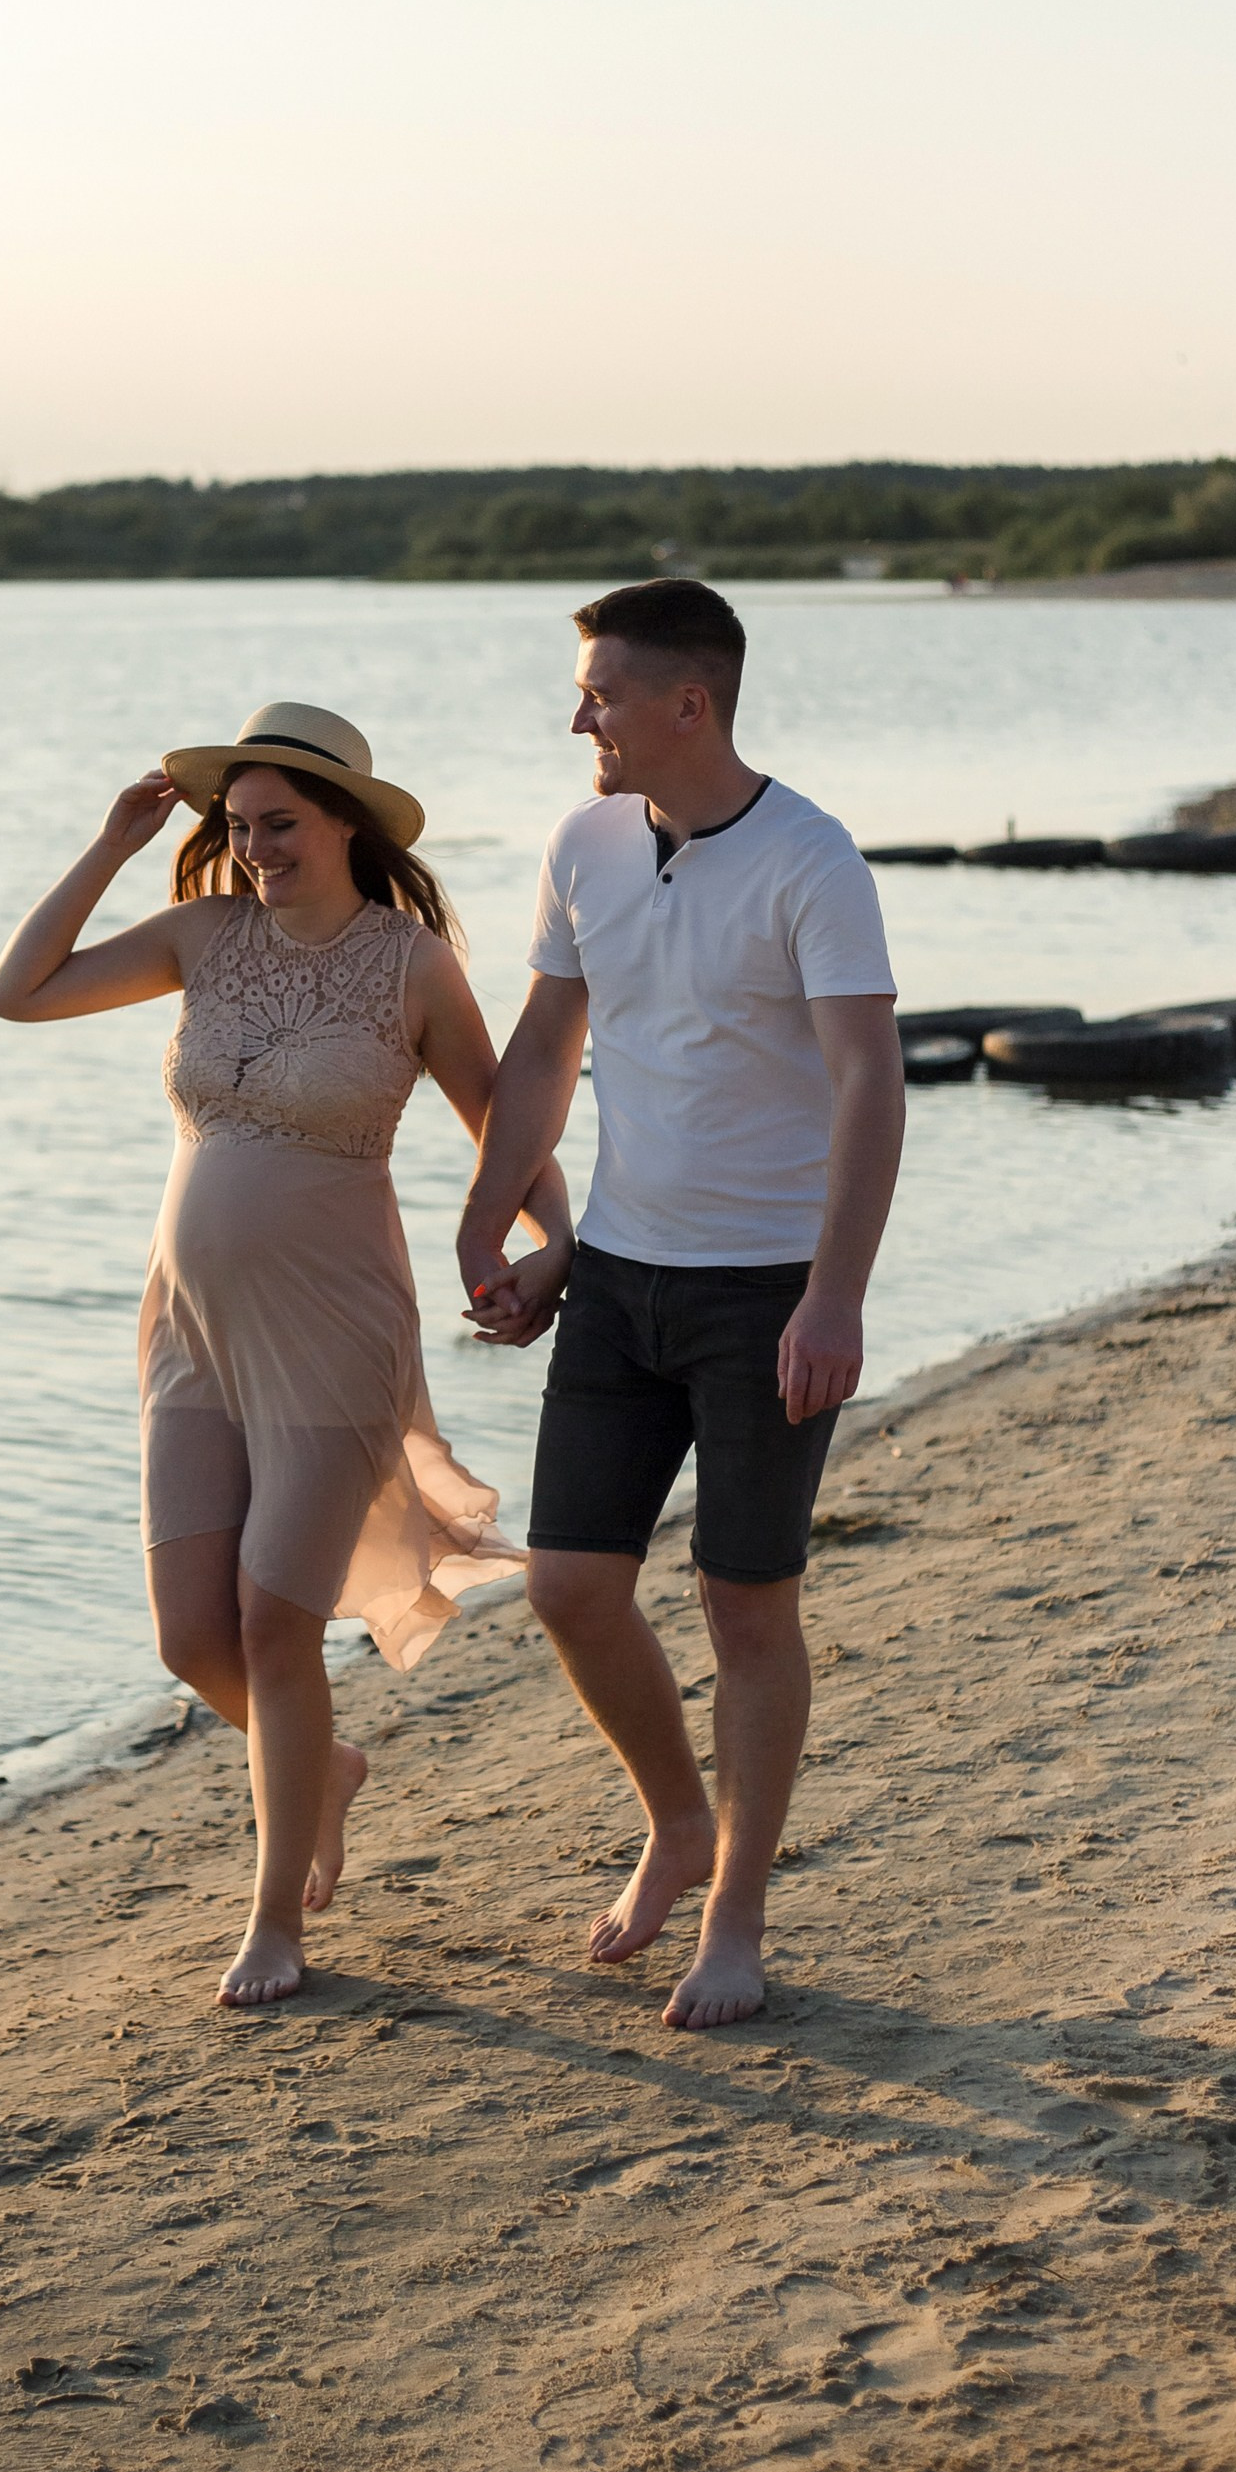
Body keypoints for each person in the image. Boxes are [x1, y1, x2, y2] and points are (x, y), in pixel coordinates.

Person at [0, 704, 567, 2010]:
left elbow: (502, 1123)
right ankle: (326, 1770)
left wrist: (554, 1244)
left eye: (279, 826)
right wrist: (106, 848)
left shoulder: (409, 965)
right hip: (189, 1334)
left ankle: (273, 1922)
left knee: (271, 1619)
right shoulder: (203, 937)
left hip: (336, 1330)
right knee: (191, 1637)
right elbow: (14, 994)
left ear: (345, 823)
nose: (254, 851)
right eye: (236, 829)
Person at [458, 582, 903, 2032]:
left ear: (684, 704)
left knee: (743, 1604)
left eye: (598, 692)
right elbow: (542, 1046)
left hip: (766, 1291)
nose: (576, 716)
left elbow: (866, 1085)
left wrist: (832, 1297)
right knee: (568, 1585)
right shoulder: (583, 843)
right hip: (618, 1279)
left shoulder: (810, 860)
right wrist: (495, 1223)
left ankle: (736, 1917)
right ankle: (677, 1821)